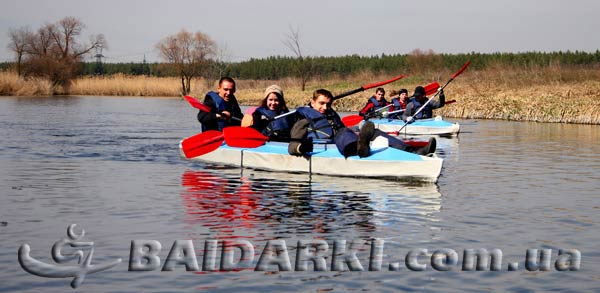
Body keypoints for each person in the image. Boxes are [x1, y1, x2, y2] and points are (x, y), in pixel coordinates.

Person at [288, 89, 436, 158]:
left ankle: (414, 152)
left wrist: (359, 131)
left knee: (373, 132)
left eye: (328, 104)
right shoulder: (303, 119)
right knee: (343, 133)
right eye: (321, 104)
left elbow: (342, 128)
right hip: (325, 147)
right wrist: (302, 147)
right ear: (313, 102)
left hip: (342, 141)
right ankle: (360, 148)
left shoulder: (331, 114)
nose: (325, 108)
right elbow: (292, 147)